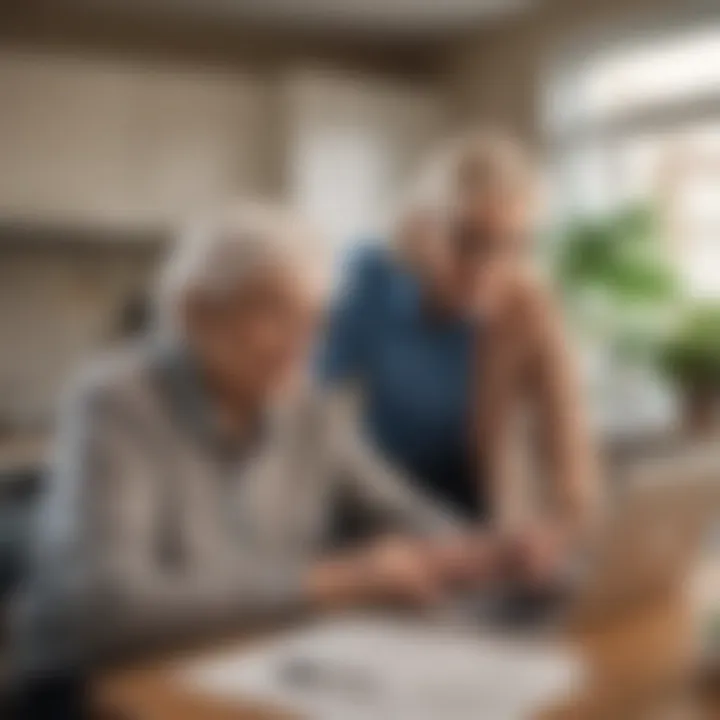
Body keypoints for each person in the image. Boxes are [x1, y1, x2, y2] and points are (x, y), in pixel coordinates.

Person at [11, 202, 496, 719]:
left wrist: (481, 552)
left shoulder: (307, 407)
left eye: (314, 321)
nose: (303, 345)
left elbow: (403, 509)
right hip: (94, 688)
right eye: (275, 314)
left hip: (246, 668)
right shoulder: (113, 400)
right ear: (195, 311)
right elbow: (102, 610)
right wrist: (337, 581)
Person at [318, 131, 601, 583]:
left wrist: (558, 531)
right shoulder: (370, 280)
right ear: (423, 226)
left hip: (476, 514)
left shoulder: (528, 307)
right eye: (467, 240)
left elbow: (569, 458)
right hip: (378, 516)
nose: (487, 266)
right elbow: (306, 408)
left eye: (513, 244)